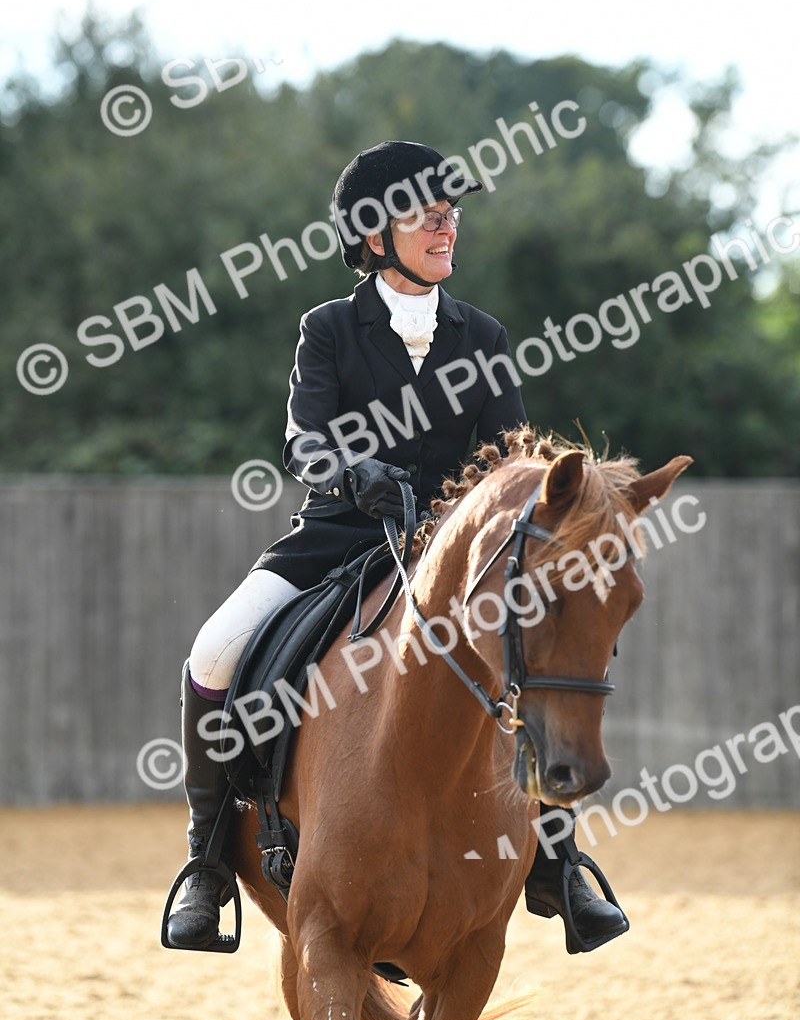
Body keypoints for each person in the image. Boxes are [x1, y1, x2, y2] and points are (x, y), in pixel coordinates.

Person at [165, 140, 628, 953]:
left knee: (539, 647)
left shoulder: (482, 335)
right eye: (430, 216)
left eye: (454, 215)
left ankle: (556, 858)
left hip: (455, 558)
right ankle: (206, 861)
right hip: (338, 540)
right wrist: (355, 474)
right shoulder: (331, 329)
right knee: (213, 654)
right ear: (375, 233)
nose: (448, 228)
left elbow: (515, 453)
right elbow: (302, 443)